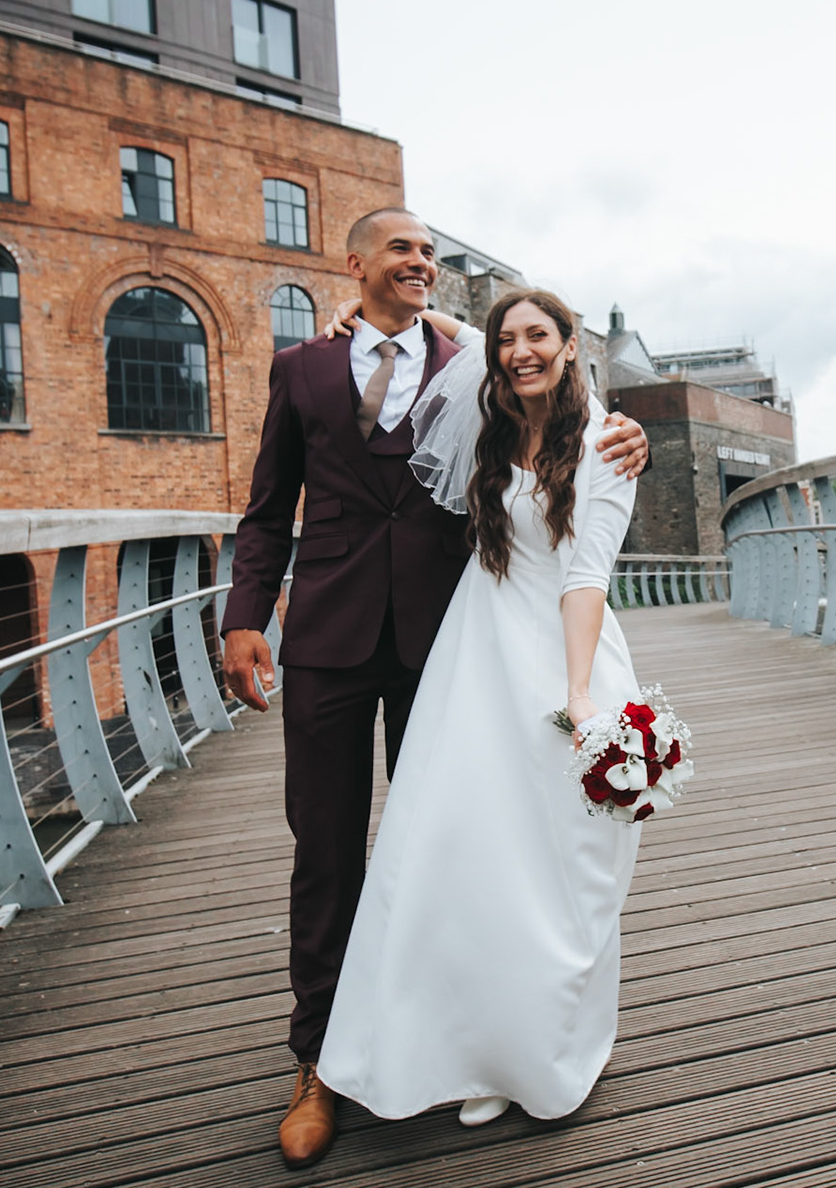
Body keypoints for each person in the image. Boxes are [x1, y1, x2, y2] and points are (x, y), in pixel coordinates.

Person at [217, 210, 648, 1169]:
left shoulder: (470, 371)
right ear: (357, 263)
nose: (420, 262)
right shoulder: (305, 369)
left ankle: (462, 1039)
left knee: (459, 849)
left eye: (430, 254)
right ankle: (318, 1063)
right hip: (329, 638)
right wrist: (246, 615)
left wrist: (631, 439)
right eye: (401, 249)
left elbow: (549, 395)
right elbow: (266, 505)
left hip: (447, 644)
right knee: (326, 851)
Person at [316, 287, 645, 1128]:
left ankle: (544, 1050)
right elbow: (451, 328)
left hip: (561, 660)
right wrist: (361, 314)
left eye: (540, 336)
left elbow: (586, 578)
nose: (519, 351)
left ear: (574, 346)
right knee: (468, 856)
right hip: (475, 659)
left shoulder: (607, 444)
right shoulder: (495, 421)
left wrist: (576, 698)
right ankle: (478, 1049)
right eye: (508, 340)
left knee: (561, 870)